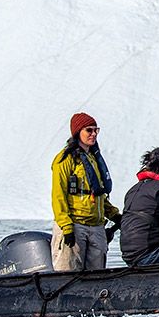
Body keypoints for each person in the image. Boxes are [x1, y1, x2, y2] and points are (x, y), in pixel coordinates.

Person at [51, 112, 121, 271]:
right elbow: (58, 195)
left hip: (96, 227)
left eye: (96, 130)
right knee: (68, 274)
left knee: (96, 277)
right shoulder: (64, 159)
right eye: (89, 130)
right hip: (75, 226)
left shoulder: (93, 158)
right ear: (78, 132)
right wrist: (67, 227)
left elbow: (97, 194)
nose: (94, 134)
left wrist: (114, 215)